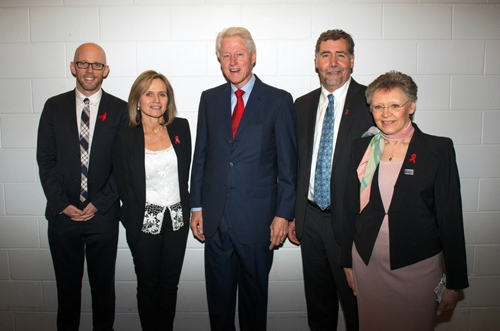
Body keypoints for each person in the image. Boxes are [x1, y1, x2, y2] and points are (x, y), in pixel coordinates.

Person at [341, 71, 469, 330]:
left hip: (417, 267)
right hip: (367, 263)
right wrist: (347, 262)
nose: (385, 113)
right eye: (378, 106)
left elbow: (450, 217)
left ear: (411, 106)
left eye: (394, 106)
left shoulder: (437, 149)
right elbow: (349, 210)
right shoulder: (361, 148)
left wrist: (456, 282)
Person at [189, 27, 297, 331]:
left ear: (253, 57)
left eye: (239, 54)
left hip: (258, 221)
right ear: (220, 60)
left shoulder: (278, 100)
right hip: (216, 219)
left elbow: (288, 167)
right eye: (226, 55)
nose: (233, 61)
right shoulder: (209, 99)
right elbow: (202, 155)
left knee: (253, 304)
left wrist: (283, 214)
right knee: (219, 304)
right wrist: (196, 206)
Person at [36, 43, 128, 330]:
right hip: (63, 217)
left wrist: (99, 203)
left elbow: (124, 166)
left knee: (103, 292)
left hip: (102, 216)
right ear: (73, 67)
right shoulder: (54, 106)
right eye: (84, 64)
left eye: (97, 65)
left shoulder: (121, 109)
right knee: (67, 293)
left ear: (106, 70)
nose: (90, 70)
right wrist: (61, 204)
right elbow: (46, 159)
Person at [288, 29, 373, 330]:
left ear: (351, 60)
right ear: (316, 62)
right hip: (310, 221)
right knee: (319, 307)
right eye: (326, 55)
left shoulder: (371, 105)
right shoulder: (302, 105)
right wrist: (293, 215)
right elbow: (295, 165)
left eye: (340, 55)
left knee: (357, 309)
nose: (333, 62)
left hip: (352, 224)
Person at [112, 70, 191, 330]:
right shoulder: (125, 137)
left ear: (168, 100)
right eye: (149, 93)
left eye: (162, 93)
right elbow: (124, 186)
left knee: (170, 286)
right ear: (137, 100)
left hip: (177, 222)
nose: (156, 99)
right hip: (144, 225)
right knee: (148, 287)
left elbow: (185, 174)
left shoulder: (181, 128)